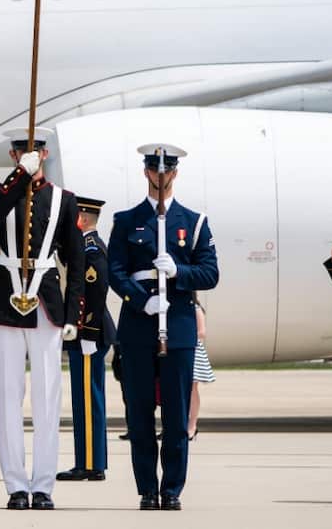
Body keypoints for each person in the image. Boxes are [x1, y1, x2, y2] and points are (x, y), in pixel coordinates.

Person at [108, 144, 219, 511]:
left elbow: (210, 273)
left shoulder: (194, 221)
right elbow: (116, 273)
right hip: (139, 326)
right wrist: (142, 301)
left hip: (180, 324)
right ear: (146, 173)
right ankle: (146, 489)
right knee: (139, 415)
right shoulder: (126, 220)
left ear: (175, 173)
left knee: (175, 415)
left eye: (166, 170)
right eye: (154, 170)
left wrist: (179, 272)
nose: (160, 176)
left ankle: (171, 489)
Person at [0, 128, 85, 510]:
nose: (32, 156)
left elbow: (76, 261)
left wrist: (73, 312)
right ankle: (15, 486)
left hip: (45, 301)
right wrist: (20, 177)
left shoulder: (64, 200)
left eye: (37, 152)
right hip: (5, 301)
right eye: (24, 153)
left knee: (46, 396)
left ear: (44, 154)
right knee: (7, 396)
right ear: (13, 155)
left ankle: (42, 485)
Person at [57, 196, 114, 482]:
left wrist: (88, 334)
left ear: (83, 217)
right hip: (84, 333)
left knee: (88, 400)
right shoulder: (83, 246)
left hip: (89, 333)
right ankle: (91, 460)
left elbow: (95, 293)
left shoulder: (92, 249)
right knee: (87, 399)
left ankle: (90, 464)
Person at [187, 299, 215, 440]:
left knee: (192, 389)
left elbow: (202, 332)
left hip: (192, 349)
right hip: (182, 348)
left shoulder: (195, 307)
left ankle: (192, 425)